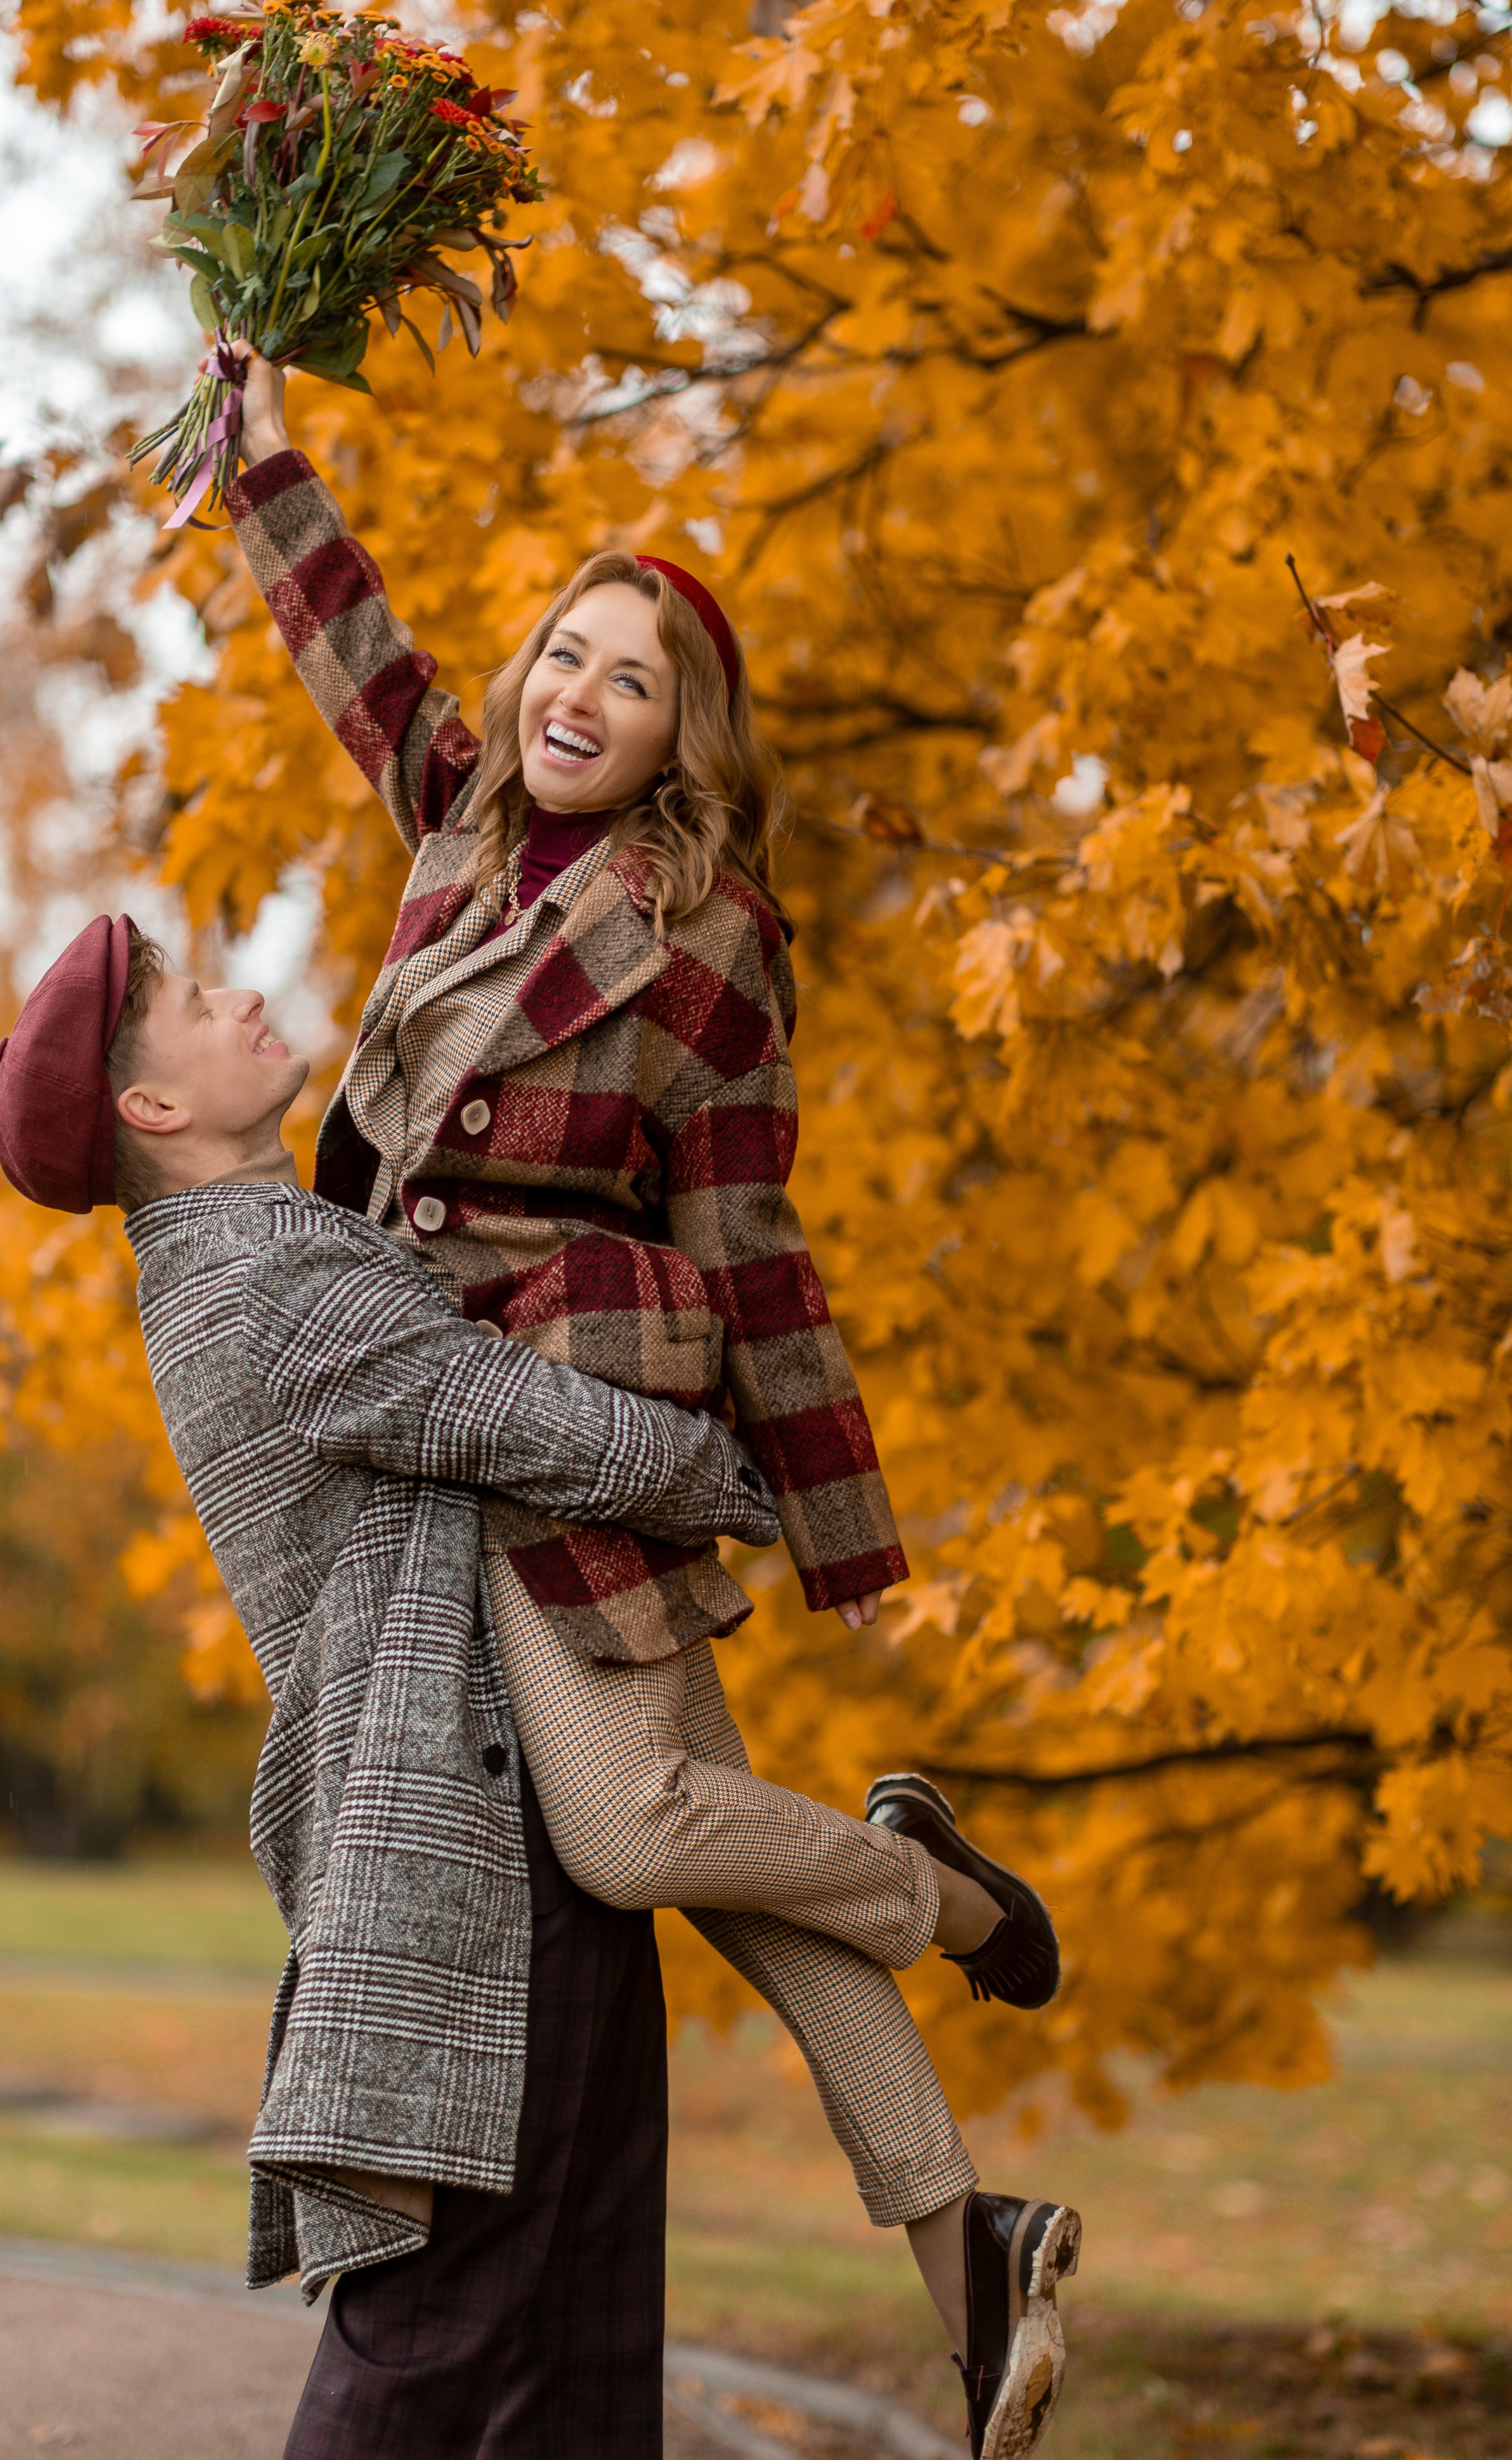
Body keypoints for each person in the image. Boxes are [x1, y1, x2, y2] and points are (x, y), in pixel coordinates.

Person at [214, 351, 1082, 2460]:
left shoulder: (711, 942)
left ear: (691, 732)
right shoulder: (459, 822)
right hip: (444, 1398)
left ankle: (949, 1897)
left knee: (638, 1833)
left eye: (638, 677)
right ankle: (971, 2237)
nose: (579, 695)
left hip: (567, 1408)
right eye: (565, 655)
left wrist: (834, 1516)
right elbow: (358, 650)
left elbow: (756, 1242)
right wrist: (256, 462)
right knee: (737, 1885)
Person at [0, 911, 779, 2460]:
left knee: (579, 2314)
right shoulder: (255, 1276)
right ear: (149, 1108)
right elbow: (504, 1412)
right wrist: (735, 1474)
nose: (241, 995)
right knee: (447, 2325)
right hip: (460, 1837)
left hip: (514, 1795)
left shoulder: (274, 1241)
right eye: (192, 1003)